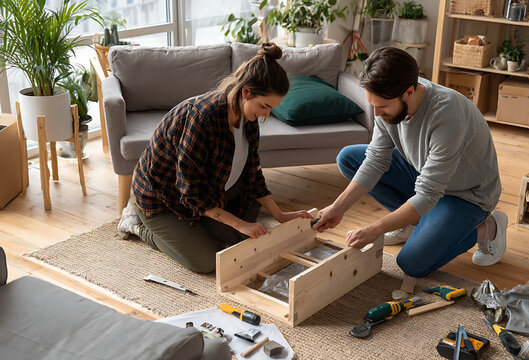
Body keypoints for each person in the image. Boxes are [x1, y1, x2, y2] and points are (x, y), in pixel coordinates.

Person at [313, 47, 507, 278]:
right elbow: (376, 160)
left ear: (409, 91)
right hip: (425, 174)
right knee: (349, 158)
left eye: (382, 107)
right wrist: (338, 207)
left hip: (467, 195)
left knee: (412, 263)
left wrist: (375, 228)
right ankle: (410, 221)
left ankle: (489, 228)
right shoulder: (389, 99)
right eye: (373, 105)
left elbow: (427, 195)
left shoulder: (448, 115)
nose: (376, 114)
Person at [118, 43, 311, 273]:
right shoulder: (202, 118)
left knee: (242, 237)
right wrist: (239, 223)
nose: (266, 114)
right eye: (264, 106)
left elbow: (253, 172)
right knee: (206, 262)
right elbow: (190, 191)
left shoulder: (248, 119)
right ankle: (136, 225)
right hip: (163, 198)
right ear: (246, 91)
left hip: (208, 190)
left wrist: (279, 214)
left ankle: (197, 227)